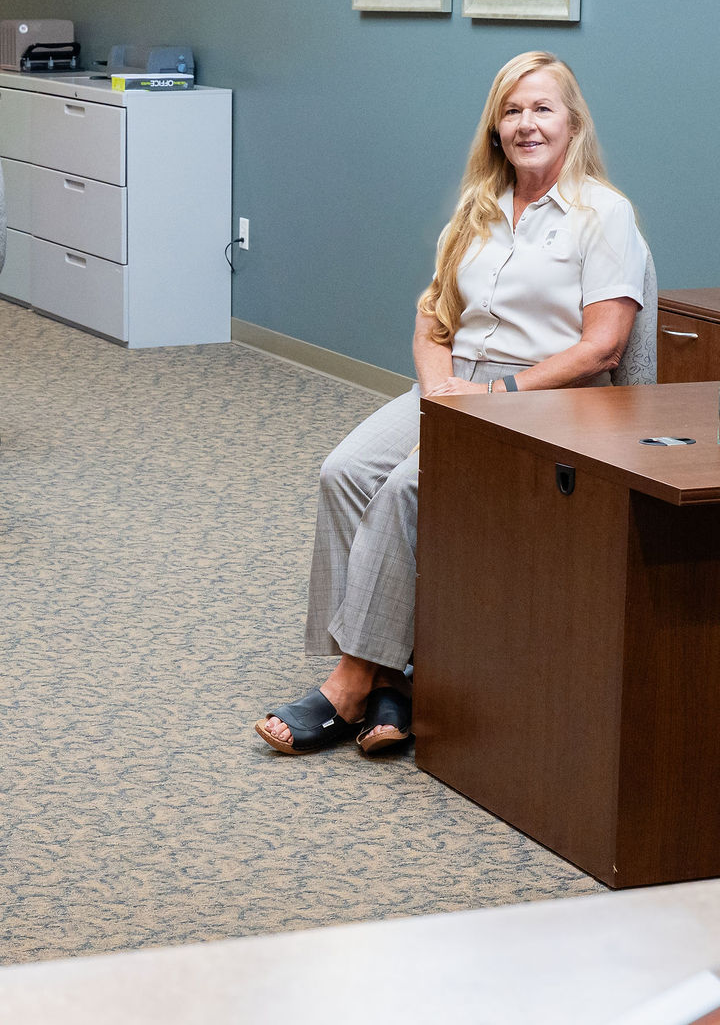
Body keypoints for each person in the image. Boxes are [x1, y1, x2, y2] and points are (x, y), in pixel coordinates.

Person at [255, 51, 647, 755]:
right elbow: (433, 316)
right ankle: (394, 678)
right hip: (455, 384)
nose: (526, 124)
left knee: (406, 488)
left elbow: (604, 347)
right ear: (495, 127)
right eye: (511, 110)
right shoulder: (476, 208)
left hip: (541, 396)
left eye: (542, 108)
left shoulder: (603, 215)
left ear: (573, 121)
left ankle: (351, 680)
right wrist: (440, 388)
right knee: (345, 471)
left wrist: (490, 394)